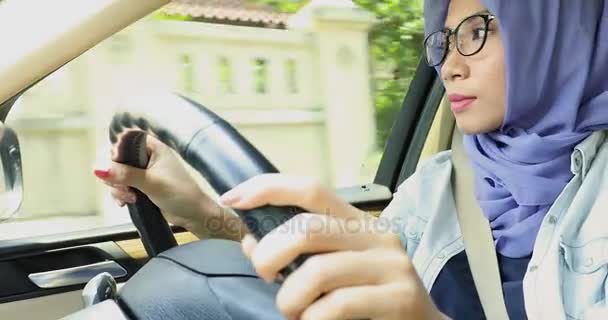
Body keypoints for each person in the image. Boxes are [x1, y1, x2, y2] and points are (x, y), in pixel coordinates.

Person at [94, 0, 608, 318]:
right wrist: (192, 206)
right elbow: (340, 260)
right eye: (444, 40)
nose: (447, 67)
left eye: (478, 30)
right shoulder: (441, 181)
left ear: (558, 36)